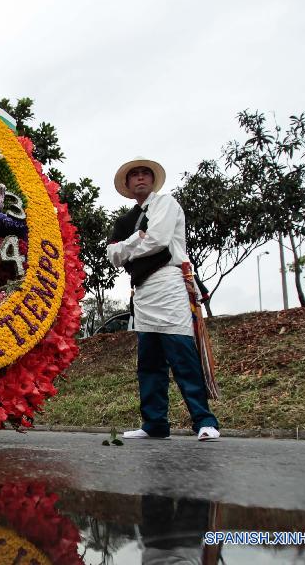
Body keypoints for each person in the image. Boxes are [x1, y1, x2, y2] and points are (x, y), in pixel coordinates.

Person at [107, 158, 220, 441]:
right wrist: (134, 241)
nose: (140, 178)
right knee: (149, 361)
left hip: (169, 283)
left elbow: (157, 239)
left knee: (181, 354)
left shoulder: (165, 204)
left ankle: (204, 421)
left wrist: (126, 249)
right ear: (128, 185)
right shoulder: (125, 221)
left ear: (152, 180)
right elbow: (112, 256)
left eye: (145, 174)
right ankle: (154, 423)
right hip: (142, 291)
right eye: (135, 175)